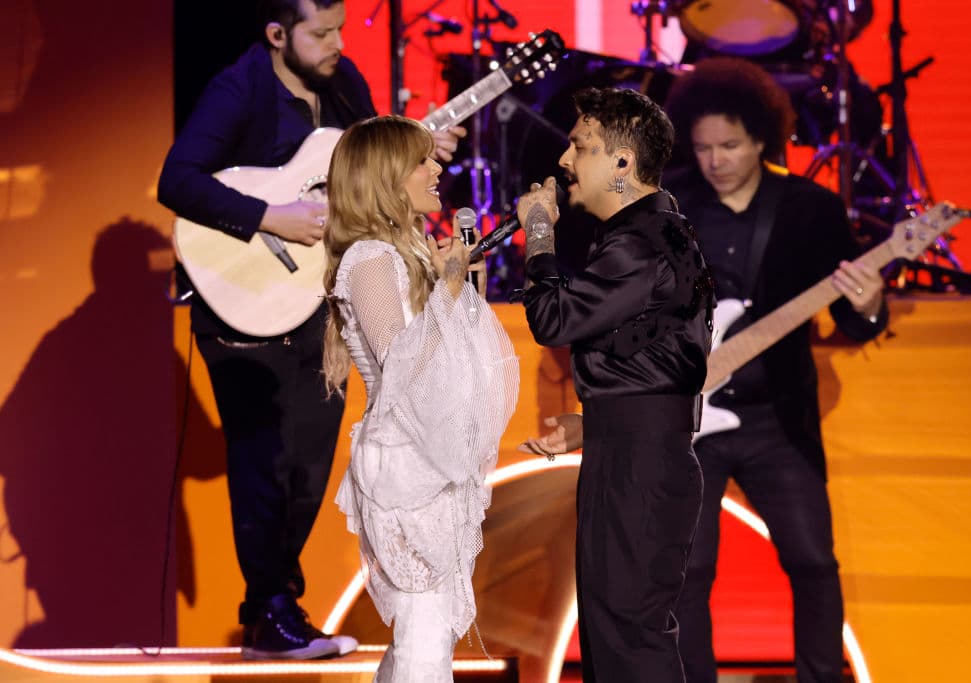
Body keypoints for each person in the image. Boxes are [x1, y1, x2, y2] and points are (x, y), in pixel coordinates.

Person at [157, 0, 464, 660]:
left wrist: (416, 152)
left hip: (319, 301)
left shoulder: (345, 83)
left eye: (340, 30)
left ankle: (280, 608)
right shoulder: (238, 88)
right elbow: (176, 180)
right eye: (319, 33)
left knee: (310, 462)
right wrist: (270, 215)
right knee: (265, 458)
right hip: (245, 299)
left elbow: (368, 168)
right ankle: (268, 610)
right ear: (277, 34)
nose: (335, 44)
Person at [660, 57, 889, 682]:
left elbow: (852, 318)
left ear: (763, 137)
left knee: (814, 562)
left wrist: (867, 305)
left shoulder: (811, 208)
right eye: (704, 147)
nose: (716, 160)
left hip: (776, 422)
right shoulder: (668, 204)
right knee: (687, 572)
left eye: (730, 145)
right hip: (688, 420)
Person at [516, 87, 715, 682]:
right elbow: (657, 352)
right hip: (631, 451)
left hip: (639, 466)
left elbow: (552, 319)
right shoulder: (658, 233)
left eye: (581, 146)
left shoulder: (642, 242)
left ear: (623, 162)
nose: (566, 162)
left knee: (628, 636)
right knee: (616, 633)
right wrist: (597, 419)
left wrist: (538, 236)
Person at [322, 115, 518, 681]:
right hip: (405, 461)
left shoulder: (401, 249)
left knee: (428, 626)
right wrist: (450, 286)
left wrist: (459, 282)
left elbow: (456, 354)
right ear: (385, 175)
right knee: (424, 626)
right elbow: (402, 366)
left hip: (430, 453)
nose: (438, 169)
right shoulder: (369, 259)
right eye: (422, 161)